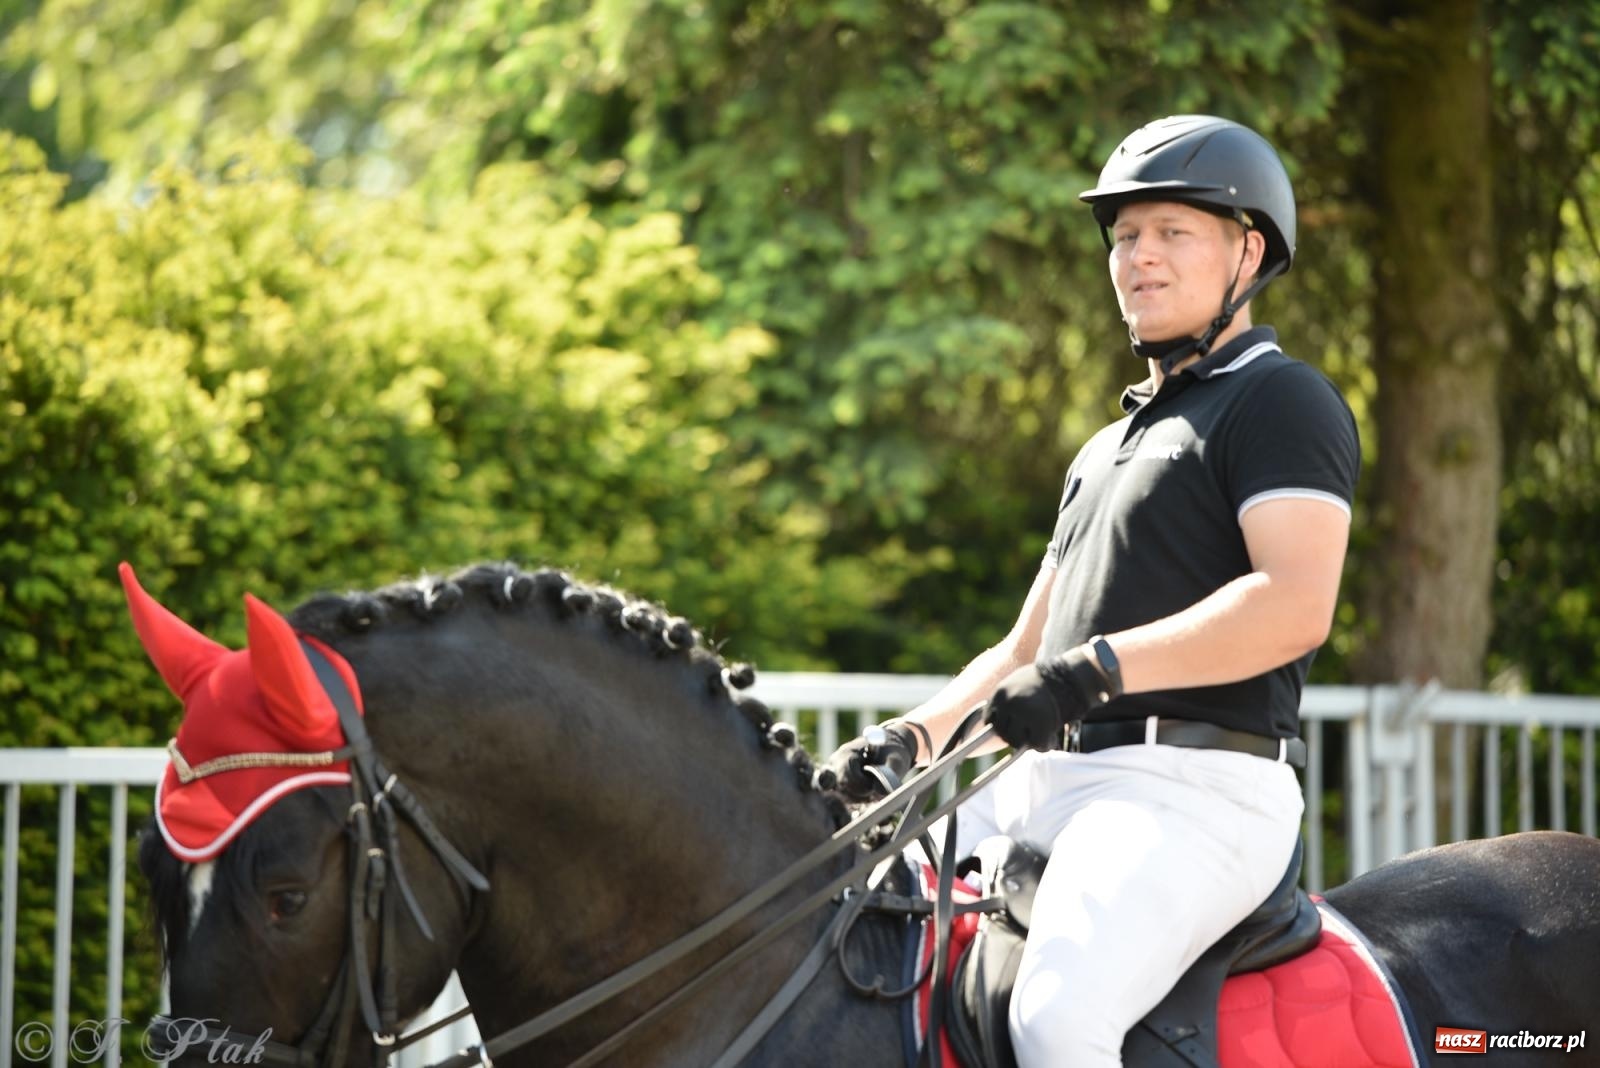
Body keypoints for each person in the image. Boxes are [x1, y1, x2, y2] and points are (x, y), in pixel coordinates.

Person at [821, 115, 1360, 1067]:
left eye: (1169, 233)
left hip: (1195, 792)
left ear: (1249, 249)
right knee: (827, 912)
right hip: (1047, 780)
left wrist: (1096, 671)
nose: (1137, 258)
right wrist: (911, 737)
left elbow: (1292, 602)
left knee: (1057, 1022)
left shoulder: (1283, 400)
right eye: (1123, 237)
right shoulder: (1104, 449)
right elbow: (1026, 651)